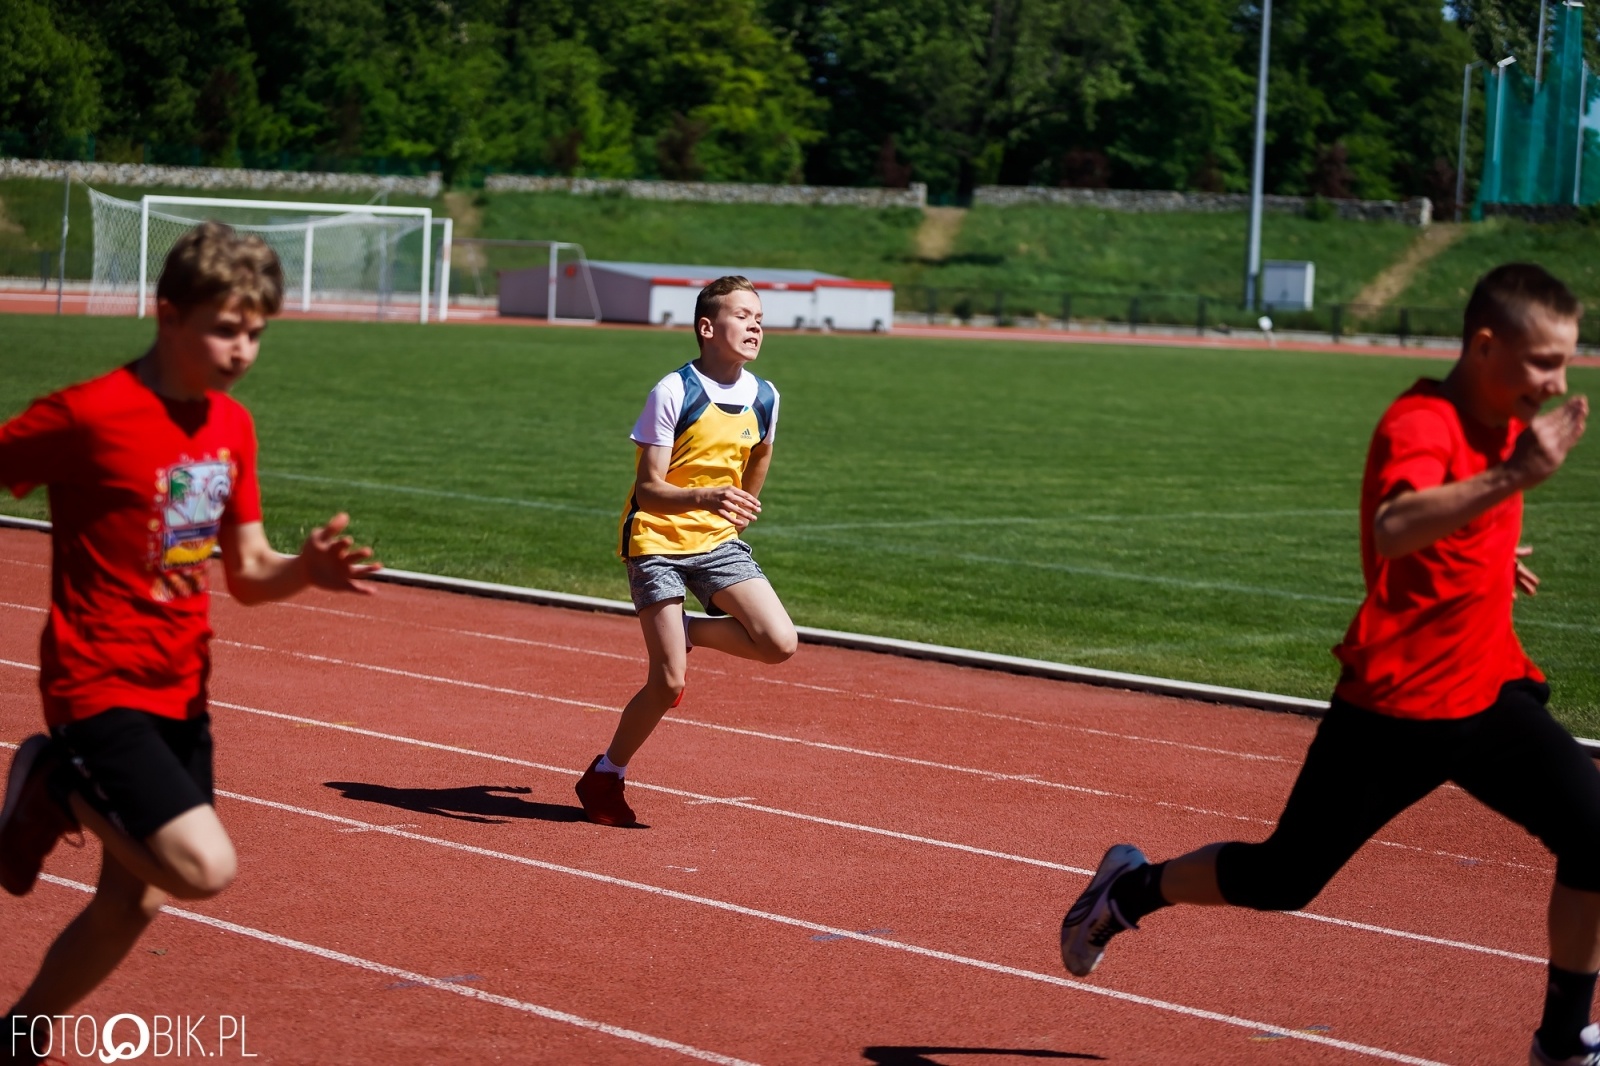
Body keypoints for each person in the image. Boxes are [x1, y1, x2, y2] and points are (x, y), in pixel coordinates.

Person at [1059, 262, 1600, 1066]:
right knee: (1283, 880)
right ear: (1485, 346)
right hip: (1395, 711)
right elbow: (1394, 526)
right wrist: (1515, 475)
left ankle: (1561, 1041)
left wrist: (1487, 554)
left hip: (1487, 694)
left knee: (1594, 835)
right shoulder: (1421, 421)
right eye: (1544, 362)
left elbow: (1451, 520)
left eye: (1567, 361)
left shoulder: (1503, 419)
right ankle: (1131, 887)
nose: (1559, 382)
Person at [0, 221, 379, 1066]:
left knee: (130, 905)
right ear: (168, 314)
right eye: (225, 328)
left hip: (181, 686)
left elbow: (248, 571)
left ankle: (17, 1037)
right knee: (201, 869)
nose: (243, 349)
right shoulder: (88, 413)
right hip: (96, 682)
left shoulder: (231, 425)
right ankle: (54, 783)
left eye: (256, 332)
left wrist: (305, 571)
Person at [575, 276, 798, 827]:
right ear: (706, 328)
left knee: (779, 643)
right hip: (655, 539)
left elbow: (760, 455)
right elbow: (649, 489)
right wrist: (707, 496)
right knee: (669, 682)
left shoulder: (766, 396)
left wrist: (737, 507)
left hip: (716, 540)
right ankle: (606, 774)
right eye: (742, 316)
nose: (755, 326)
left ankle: (688, 631)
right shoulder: (674, 391)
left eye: (759, 318)